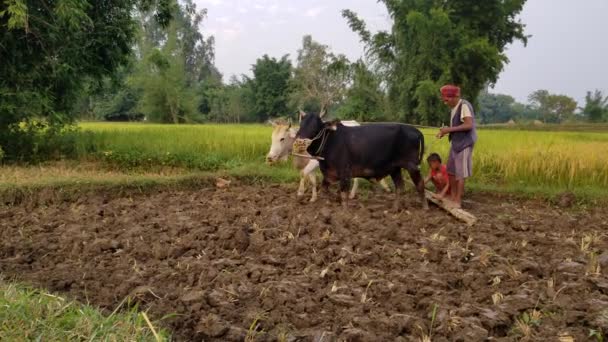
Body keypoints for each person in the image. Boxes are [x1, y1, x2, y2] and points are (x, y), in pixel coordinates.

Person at [436, 85, 477, 208]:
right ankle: (452, 197)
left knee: (460, 173)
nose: (444, 102)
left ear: (454, 97)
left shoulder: (464, 105)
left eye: (446, 99)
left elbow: (469, 125)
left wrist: (448, 130)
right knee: (451, 171)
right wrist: (445, 132)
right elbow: (455, 128)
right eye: (443, 99)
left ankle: (458, 201)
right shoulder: (454, 107)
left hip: (464, 144)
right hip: (456, 144)